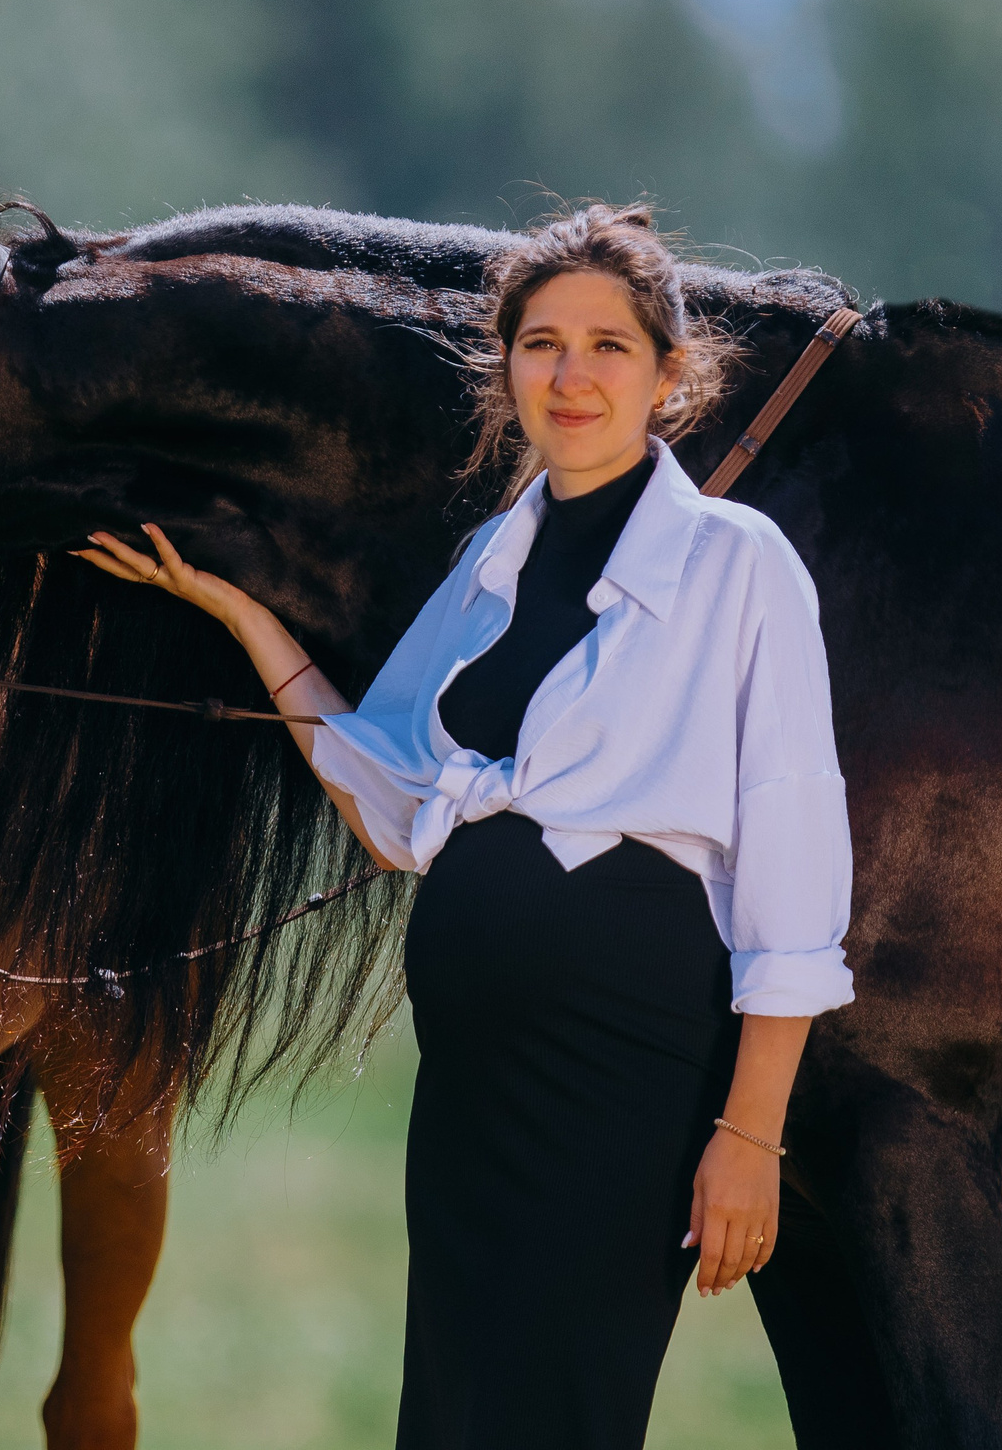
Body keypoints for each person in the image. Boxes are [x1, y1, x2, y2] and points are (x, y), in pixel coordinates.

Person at [75, 204, 855, 1450]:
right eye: (541, 341)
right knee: (451, 1411)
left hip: (626, 1061)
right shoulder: (492, 557)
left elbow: (794, 860)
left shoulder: (736, 563)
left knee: (565, 1409)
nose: (571, 372)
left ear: (669, 370)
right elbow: (391, 792)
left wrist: (747, 1132)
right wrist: (240, 614)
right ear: (506, 370)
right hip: (470, 1077)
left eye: (607, 343)